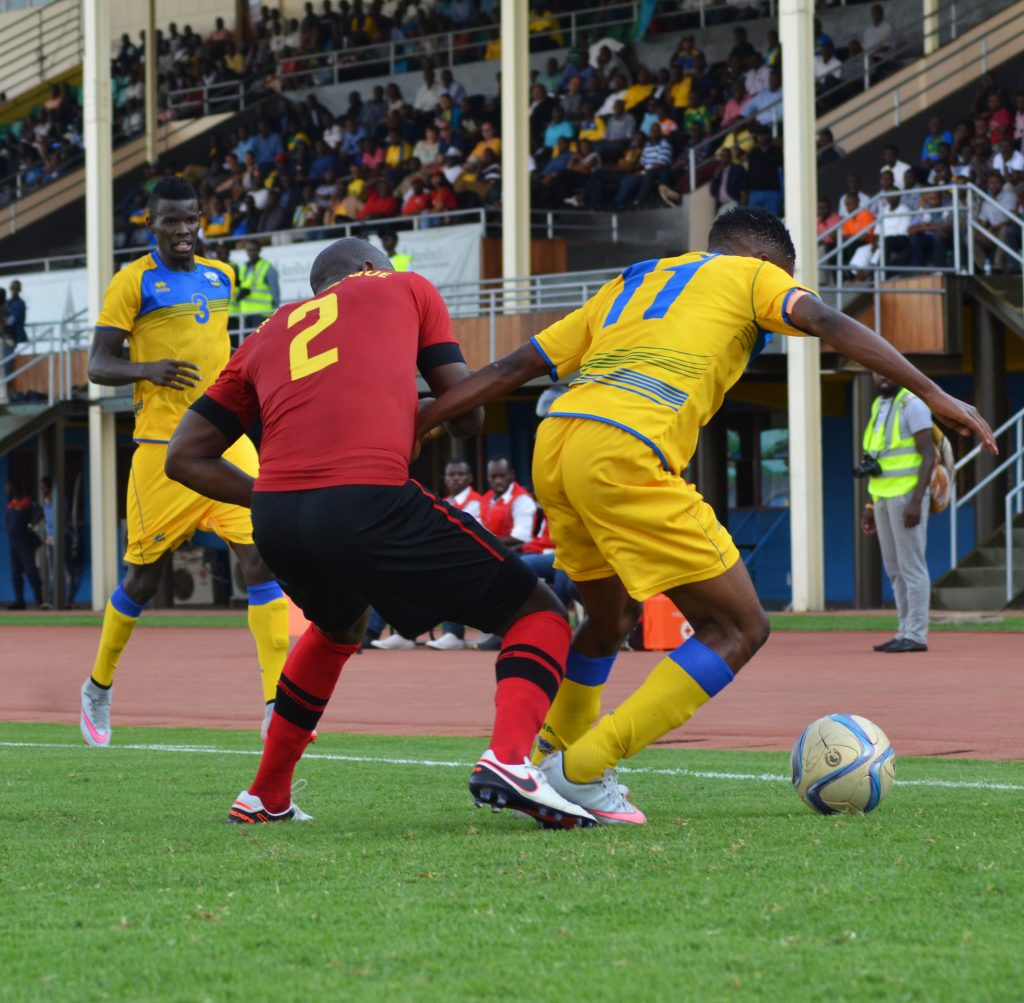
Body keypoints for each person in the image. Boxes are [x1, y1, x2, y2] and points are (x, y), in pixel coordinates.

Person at [417, 207, 996, 825]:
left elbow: (514, 367)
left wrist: (422, 421)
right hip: (624, 446)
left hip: (556, 442)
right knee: (739, 627)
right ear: (769, 260)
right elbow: (824, 318)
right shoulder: (753, 275)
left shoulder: (635, 280)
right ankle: (585, 769)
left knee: (609, 618)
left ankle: (549, 760)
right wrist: (930, 391)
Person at [165, 237, 595, 829]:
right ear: (372, 269)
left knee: (337, 626)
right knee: (539, 612)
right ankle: (510, 759)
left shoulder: (265, 335)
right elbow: (466, 413)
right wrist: (413, 411)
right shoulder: (406, 286)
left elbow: (184, 456)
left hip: (277, 518)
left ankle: (266, 793)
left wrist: (269, 493)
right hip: (365, 495)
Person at [79, 177, 290, 749]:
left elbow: (227, 351)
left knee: (260, 557)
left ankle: (277, 703)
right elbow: (98, 364)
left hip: (222, 438)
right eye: (171, 221)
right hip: (160, 452)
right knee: (143, 580)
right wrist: (146, 370)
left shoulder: (222, 276)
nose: (183, 230)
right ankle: (98, 686)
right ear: (151, 223)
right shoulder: (133, 282)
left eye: (191, 219)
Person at [861, 373, 937, 653]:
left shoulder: (912, 404)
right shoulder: (879, 406)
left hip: (907, 497)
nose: (881, 377)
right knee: (894, 569)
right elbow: (878, 459)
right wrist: (870, 505)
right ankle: (904, 630)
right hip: (882, 495)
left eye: (886, 371)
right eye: (876, 372)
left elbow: (928, 455)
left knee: (911, 567)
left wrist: (917, 500)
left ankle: (916, 635)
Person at [426, 458, 483, 651]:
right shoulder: (446, 502)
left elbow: (464, 532)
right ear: (445, 479)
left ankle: (453, 633)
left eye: (461, 474)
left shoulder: (477, 502)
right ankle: (402, 634)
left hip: (469, 554)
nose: (456, 478)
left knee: (445, 569)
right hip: (449, 552)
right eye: (451, 475)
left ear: (470, 478)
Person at [5, 480, 43, 610]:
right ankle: (19, 601)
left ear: (15, 488)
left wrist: (31, 524)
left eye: (8, 488)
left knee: (30, 570)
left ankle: (40, 600)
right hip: (13, 543)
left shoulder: (27, 503)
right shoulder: (10, 505)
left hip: (25, 542)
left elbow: (39, 512)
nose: (6, 490)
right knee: (15, 573)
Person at [231, 239, 280, 330]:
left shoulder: (267, 268)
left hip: (262, 313)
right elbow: (242, 286)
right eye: (249, 250)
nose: (251, 253)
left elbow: (275, 292)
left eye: (253, 250)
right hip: (245, 313)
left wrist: (274, 312)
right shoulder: (244, 267)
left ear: (259, 250)